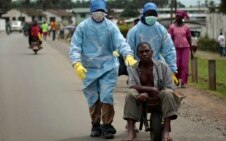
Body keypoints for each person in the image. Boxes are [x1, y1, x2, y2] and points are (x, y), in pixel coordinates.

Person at [69, 0, 137, 139]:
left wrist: (128, 55)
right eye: (96, 10)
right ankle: (95, 125)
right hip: (89, 68)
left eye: (101, 10)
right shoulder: (83, 27)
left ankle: (107, 125)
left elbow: (121, 42)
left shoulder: (111, 27)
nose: (99, 13)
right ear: (91, 11)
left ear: (105, 11)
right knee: (93, 98)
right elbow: (75, 46)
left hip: (108, 67)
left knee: (106, 95)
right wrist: (76, 63)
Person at [123, 42, 181, 141]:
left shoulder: (162, 66)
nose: (144, 54)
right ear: (137, 55)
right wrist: (148, 90)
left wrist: (154, 91)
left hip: (160, 93)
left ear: (152, 52)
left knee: (168, 93)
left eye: (147, 51)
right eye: (141, 52)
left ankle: (166, 131)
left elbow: (169, 86)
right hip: (140, 94)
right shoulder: (133, 67)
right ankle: (131, 131)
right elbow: (132, 85)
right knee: (130, 93)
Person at [127, 2, 177, 74]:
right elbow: (129, 50)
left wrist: (172, 69)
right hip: (138, 67)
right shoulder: (134, 31)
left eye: (154, 14)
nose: (152, 16)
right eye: (149, 14)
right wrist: (131, 68)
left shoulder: (161, 30)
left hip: (156, 67)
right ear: (143, 15)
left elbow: (169, 50)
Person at [168, 10, 193, 88]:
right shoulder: (172, 27)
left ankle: (183, 82)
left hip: (185, 48)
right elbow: (170, 39)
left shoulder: (186, 27)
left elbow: (189, 39)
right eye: (176, 16)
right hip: (175, 49)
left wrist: (191, 52)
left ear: (181, 18)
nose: (176, 18)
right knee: (176, 65)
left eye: (178, 17)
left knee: (184, 65)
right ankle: (176, 80)